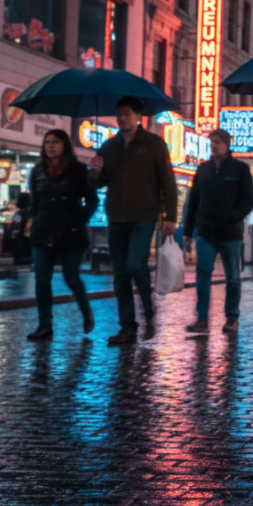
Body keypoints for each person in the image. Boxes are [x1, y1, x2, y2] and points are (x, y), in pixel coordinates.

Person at [89, 97, 177, 346]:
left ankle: (148, 305)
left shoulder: (154, 144)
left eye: (127, 114)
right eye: (119, 114)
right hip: (116, 215)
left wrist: (170, 217)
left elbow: (168, 182)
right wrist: (94, 172)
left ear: (138, 116)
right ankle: (127, 326)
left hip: (144, 215)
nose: (122, 118)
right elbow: (98, 182)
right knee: (119, 275)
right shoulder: (108, 146)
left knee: (135, 264)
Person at [25, 129, 98, 340]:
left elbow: (92, 200)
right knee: (41, 279)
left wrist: (79, 220)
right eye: (47, 142)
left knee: (72, 278)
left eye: (55, 142)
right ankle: (45, 325)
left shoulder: (78, 170)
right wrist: (33, 219)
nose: (50, 146)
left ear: (65, 145)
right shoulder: (37, 171)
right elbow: (35, 202)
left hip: (71, 235)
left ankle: (86, 310)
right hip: (42, 232)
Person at [182, 129, 253, 335]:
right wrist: (188, 231)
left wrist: (233, 216)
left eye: (217, 142)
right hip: (205, 231)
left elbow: (249, 199)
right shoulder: (203, 169)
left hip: (230, 233)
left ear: (227, 144)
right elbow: (193, 201)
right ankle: (202, 318)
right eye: (211, 142)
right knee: (202, 274)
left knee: (232, 276)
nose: (213, 146)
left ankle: (232, 317)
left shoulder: (240, 169)